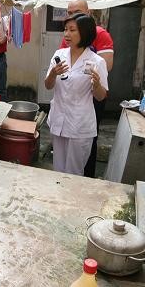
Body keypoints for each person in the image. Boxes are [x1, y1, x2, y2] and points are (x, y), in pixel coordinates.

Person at [45, 13, 108, 176]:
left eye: (72, 30)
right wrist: (52, 73)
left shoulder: (97, 61)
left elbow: (101, 96)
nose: (67, 34)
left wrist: (97, 85)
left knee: (74, 173)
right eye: (65, 29)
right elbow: (48, 85)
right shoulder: (59, 55)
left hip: (80, 125)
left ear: (85, 33)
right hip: (59, 120)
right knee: (58, 170)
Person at [59, 0, 114, 178]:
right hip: (69, 96)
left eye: (77, 12)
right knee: (65, 141)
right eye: (69, 13)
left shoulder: (100, 34)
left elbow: (105, 65)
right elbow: (61, 63)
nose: (72, 16)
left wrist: (88, 78)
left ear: (88, 13)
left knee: (86, 140)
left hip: (91, 93)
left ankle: (86, 178)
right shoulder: (68, 36)